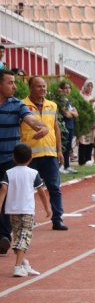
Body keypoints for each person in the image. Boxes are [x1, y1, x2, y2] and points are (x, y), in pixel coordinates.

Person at [0, 70, 48, 254]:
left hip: (7, 160)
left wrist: (41, 127)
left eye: (14, 82)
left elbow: (31, 120)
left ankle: (3, 237)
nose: (14, 86)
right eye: (10, 82)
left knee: (5, 199)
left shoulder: (17, 105)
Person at [21, 76, 68, 230]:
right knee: (27, 190)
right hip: (29, 155)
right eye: (39, 86)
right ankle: (28, 219)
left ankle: (57, 219)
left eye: (44, 86)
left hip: (49, 154)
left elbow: (55, 128)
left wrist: (59, 150)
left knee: (54, 187)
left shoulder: (52, 105)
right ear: (31, 88)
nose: (43, 89)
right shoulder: (22, 105)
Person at [0, 143, 51, 277]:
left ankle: (23, 263)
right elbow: (41, 192)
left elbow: (3, 190)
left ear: (13, 158)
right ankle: (17, 266)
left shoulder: (8, 173)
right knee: (24, 238)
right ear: (30, 158)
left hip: (12, 211)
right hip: (27, 211)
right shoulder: (33, 173)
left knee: (18, 236)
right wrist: (47, 208)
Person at [57, 81, 78, 174]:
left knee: (69, 147)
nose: (67, 90)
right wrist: (71, 113)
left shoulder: (69, 101)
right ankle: (61, 166)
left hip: (70, 125)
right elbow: (66, 114)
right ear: (61, 89)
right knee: (63, 146)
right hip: (63, 126)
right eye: (65, 88)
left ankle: (67, 166)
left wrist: (72, 113)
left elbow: (76, 114)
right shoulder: (60, 101)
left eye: (69, 88)